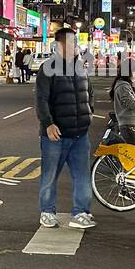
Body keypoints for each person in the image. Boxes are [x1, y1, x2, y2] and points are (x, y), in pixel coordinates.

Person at [35, 28, 96, 230]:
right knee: (50, 175)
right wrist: (48, 123)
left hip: (80, 134)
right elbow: (41, 100)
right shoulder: (47, 68)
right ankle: (47, 211)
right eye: (70, 43)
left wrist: (89, 114)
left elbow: (89, 93)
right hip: (56, 134)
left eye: (75, 43)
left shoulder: (80, 68)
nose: (74, 46)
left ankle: (81, 212)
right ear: (59, 45)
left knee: (83, 176)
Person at [110, 62, 135, 145]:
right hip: (129, 125)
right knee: (133, 153)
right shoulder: (123, 86)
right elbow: (133, 104)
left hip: (131, 124)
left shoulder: (126, 84)